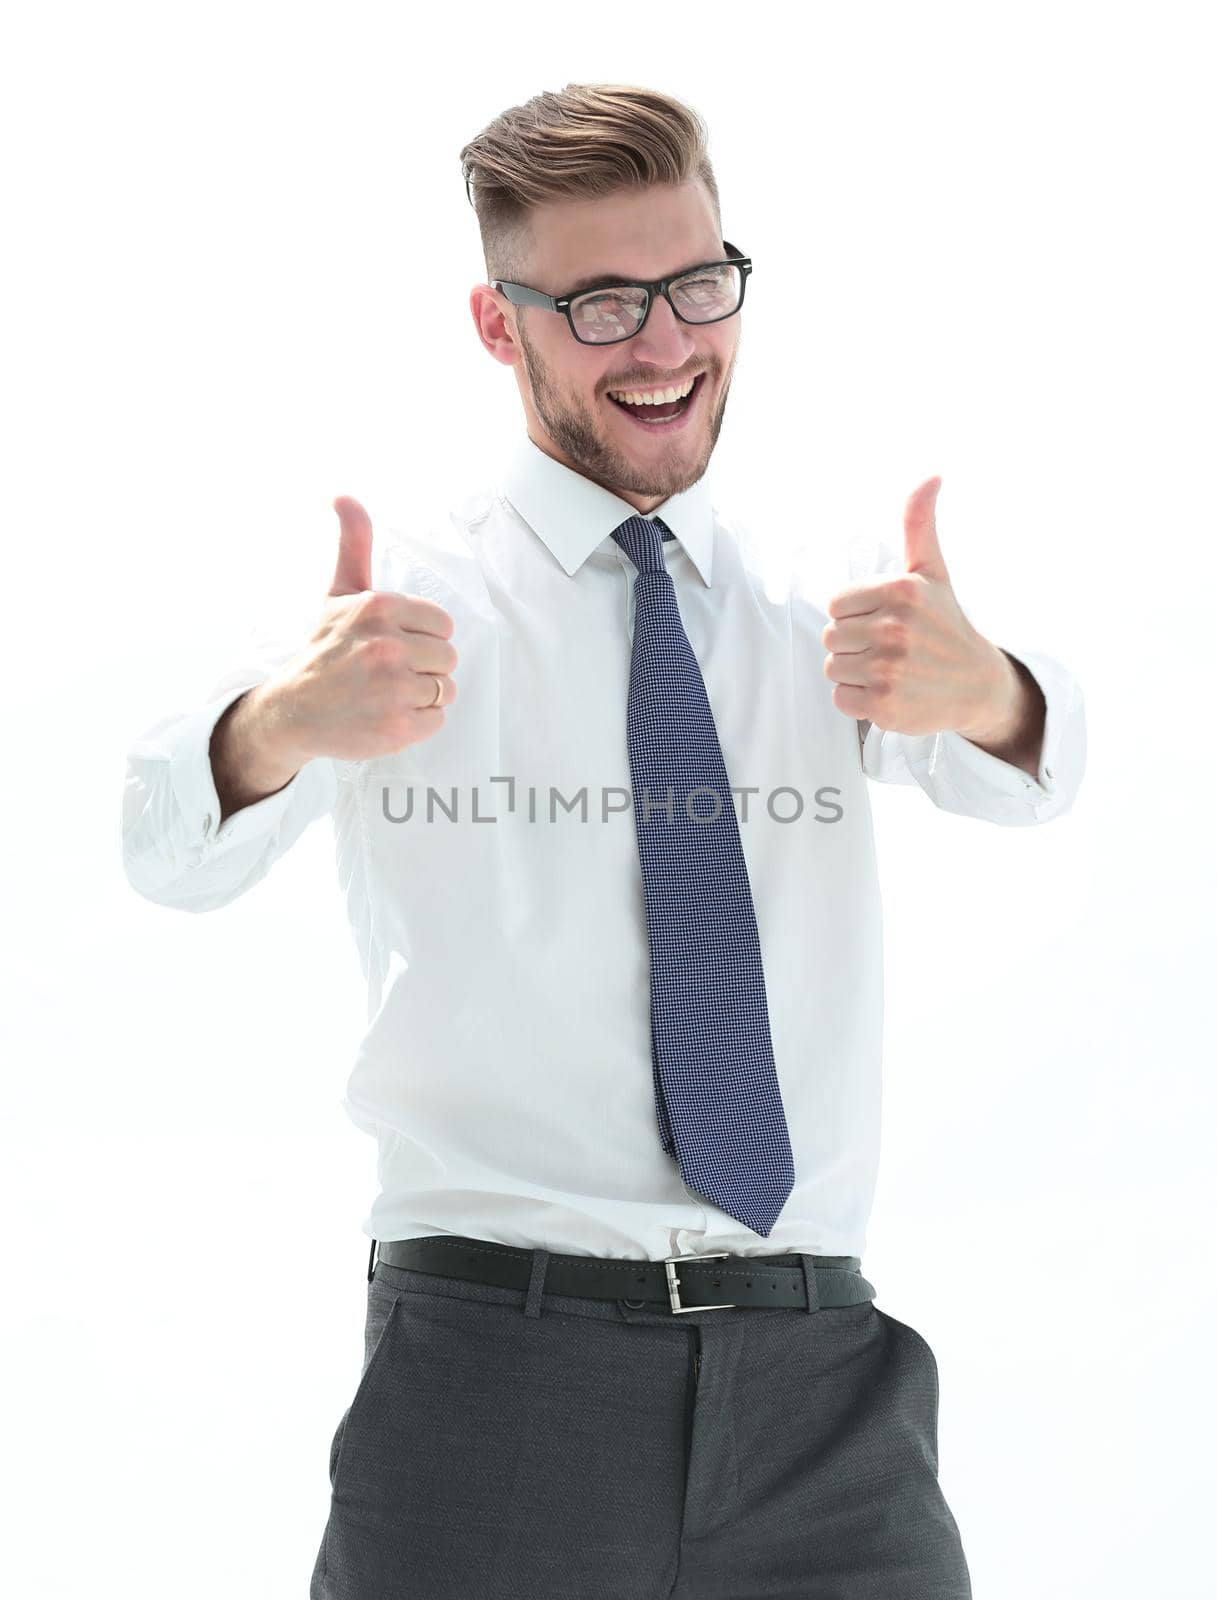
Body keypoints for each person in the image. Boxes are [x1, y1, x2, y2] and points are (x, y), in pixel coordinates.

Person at [121, 82, 1086, 1600]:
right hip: (491, 1381)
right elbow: (166, 852)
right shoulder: (392, 602)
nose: (664, 342)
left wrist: (997, 696)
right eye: (601, 302)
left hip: (823, 1383)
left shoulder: (817, 589)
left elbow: (1026, 782)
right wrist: (273, 727)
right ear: (498, 326)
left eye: (698, 285)